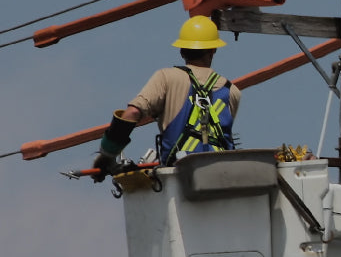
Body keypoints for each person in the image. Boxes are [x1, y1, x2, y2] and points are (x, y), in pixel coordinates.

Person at [92, 15, 241, 180]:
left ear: (181, 50)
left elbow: (132, 113)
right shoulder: (231, 91)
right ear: (213, 50)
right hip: (223, 177)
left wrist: (107, 155)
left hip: (180, 178)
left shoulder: (166, 78)